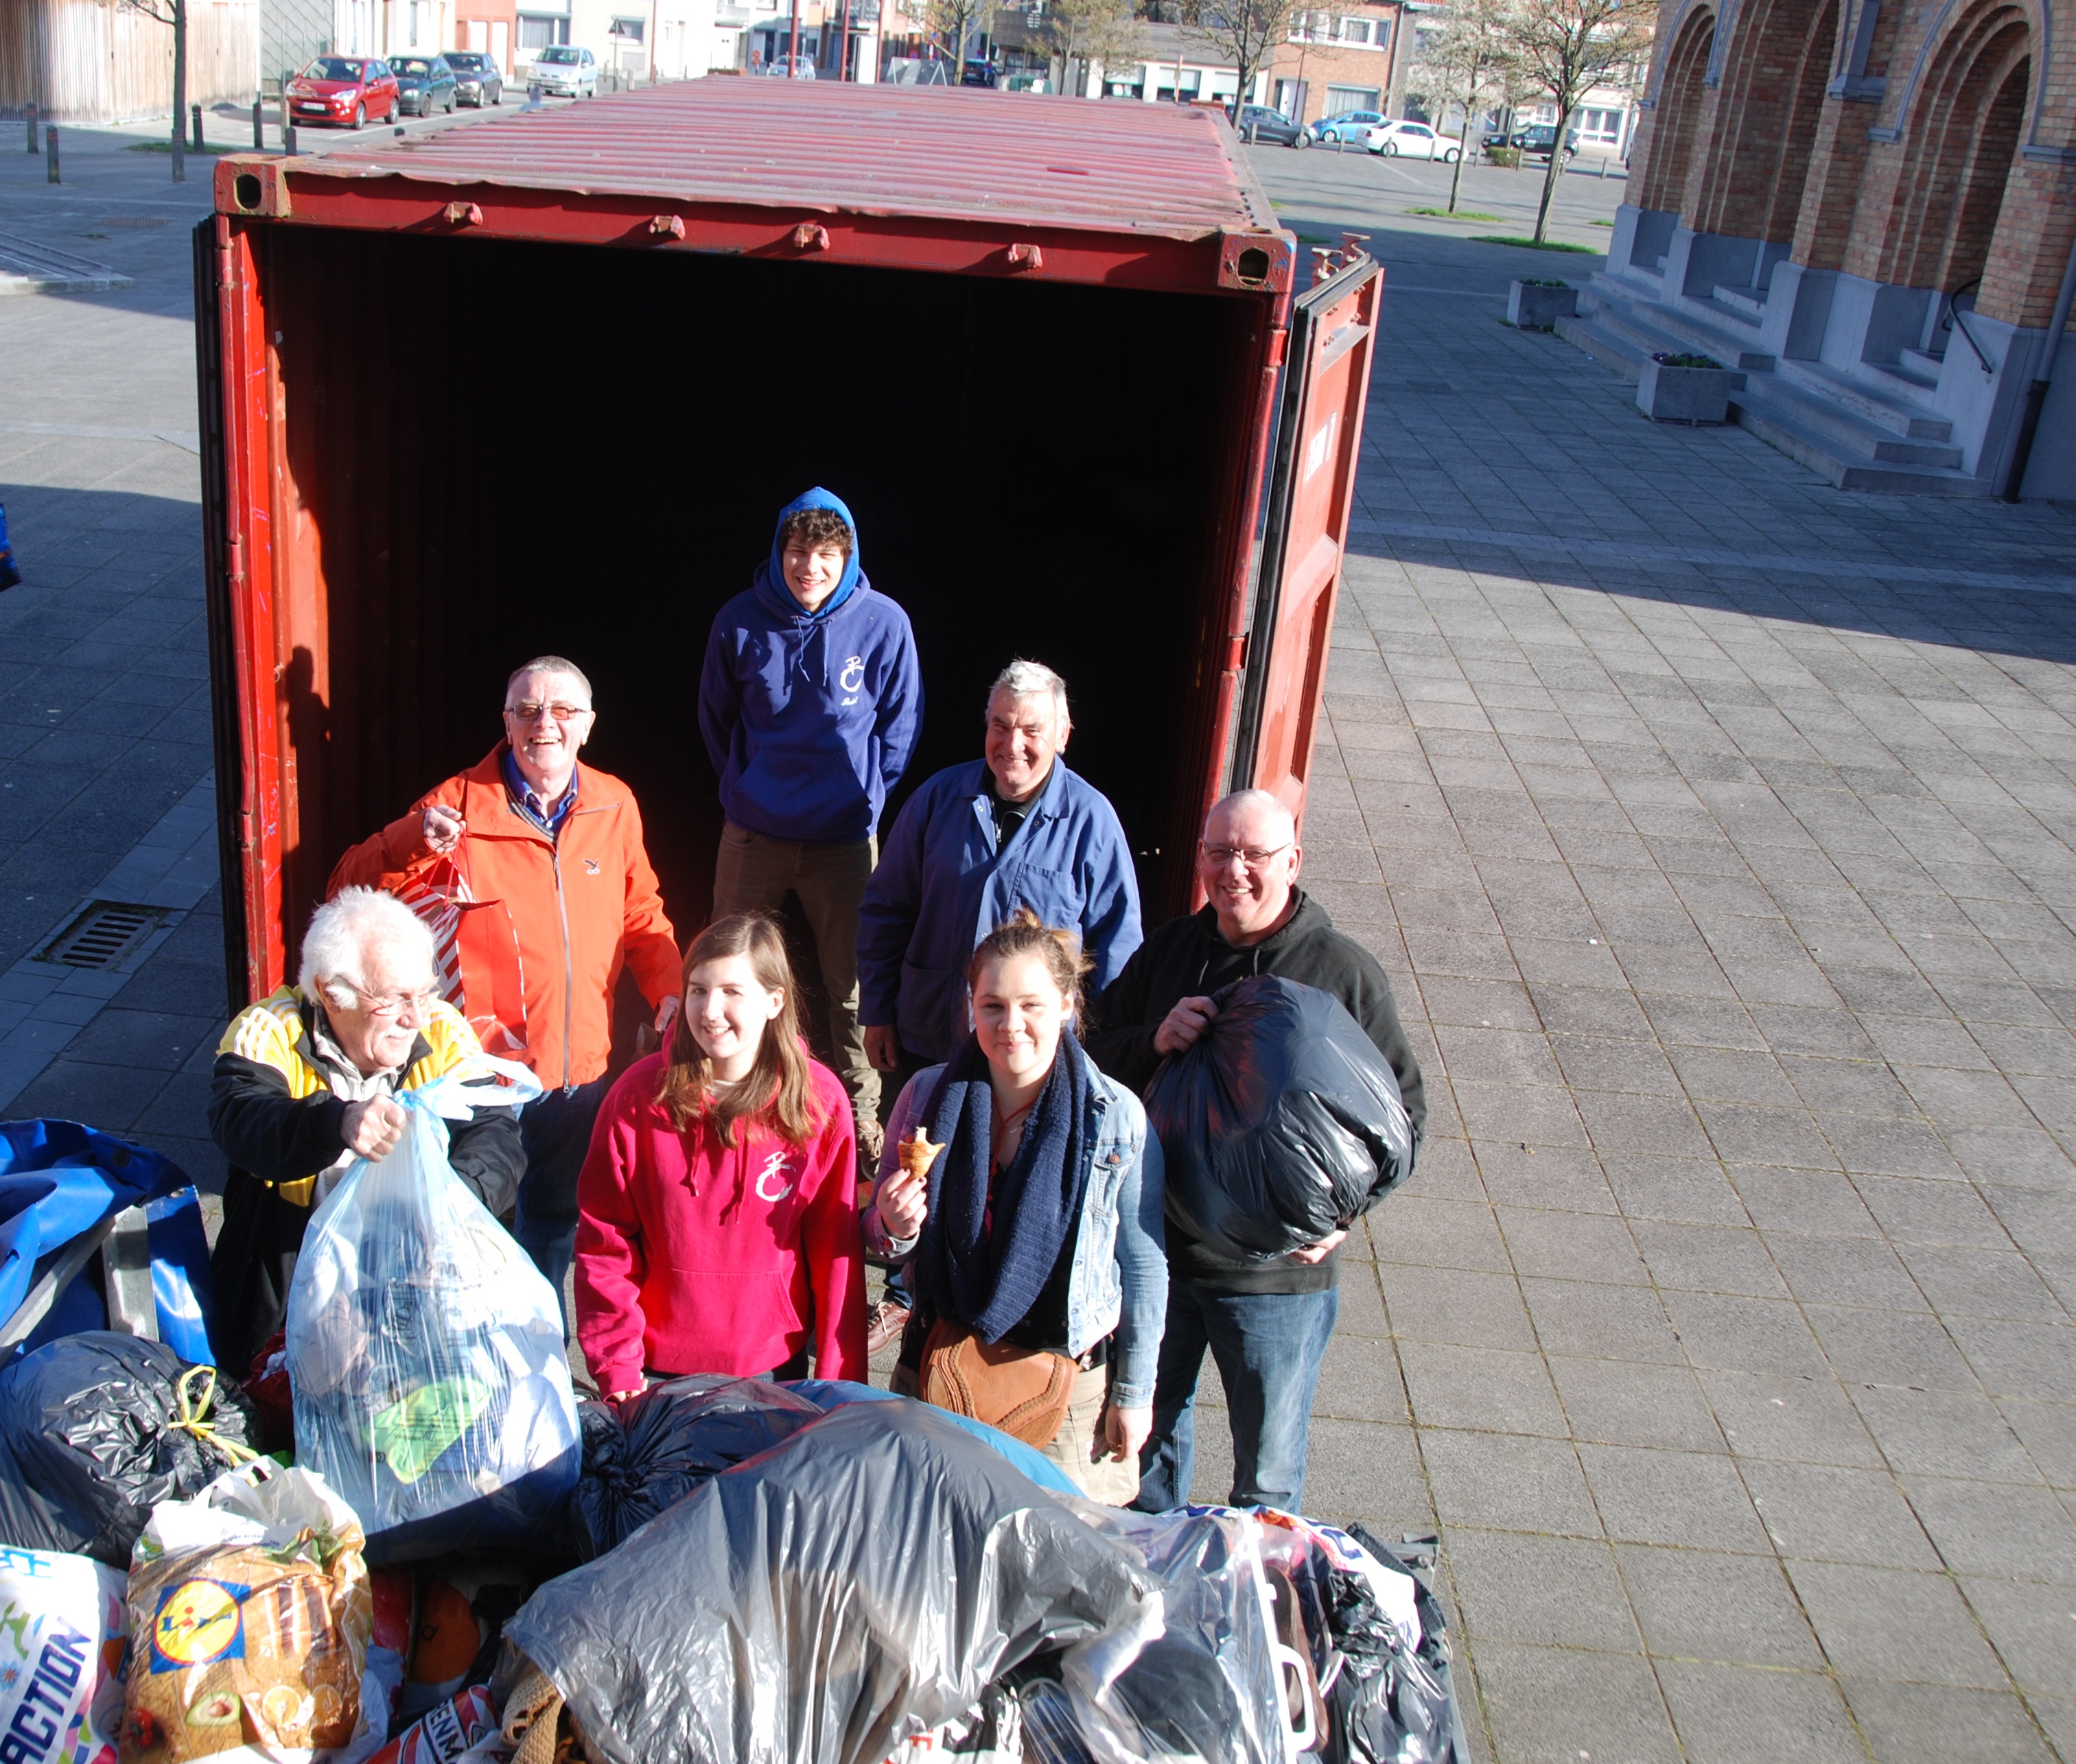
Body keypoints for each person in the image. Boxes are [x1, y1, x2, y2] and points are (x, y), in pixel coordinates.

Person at [1085, 788, 1427, 1516]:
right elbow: (1090, 1059)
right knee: (1137, 1452)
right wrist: (1152, 1039)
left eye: (1253, 854)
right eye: (1218, 852)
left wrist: (1346, 1218)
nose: (1232, 870)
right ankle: (1149, 1601)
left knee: (1266, 1480)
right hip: (1159, 1259)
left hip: (1276, 1283)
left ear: (1292, 861)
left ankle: (1256, 1611)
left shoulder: (1343, 973)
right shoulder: (1170, 952)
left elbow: (1406, 1116)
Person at [327, 655, 681, 1319]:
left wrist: (669, 985)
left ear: (587, 727)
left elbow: (641, 911)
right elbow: (347, 890)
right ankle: (458, 1341)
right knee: (467, 1217)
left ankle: (534, 1338)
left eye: (562, 711)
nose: (543, 724)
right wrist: (414, 841)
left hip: (580, 1071)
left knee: (554, 1217)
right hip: (484, 1074)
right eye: (527, 710)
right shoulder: (456, 805)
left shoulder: (614, 802)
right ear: (506, 722)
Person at [866, 910, 1166, 1504]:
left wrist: (1134, 1392)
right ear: (970, 1007)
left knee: (1054, 1563)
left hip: (1067, 1381)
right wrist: (893, 1226)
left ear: (1066, 1004)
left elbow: (1143, 1264)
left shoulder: (1115, 1116)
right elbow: (880, 1236)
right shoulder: (927, 1095)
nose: (1012, 1025)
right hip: (941, 1361)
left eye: (1031, 1004)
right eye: (993, 1006)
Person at [208, 888, 526, 1369]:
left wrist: (450, 1200)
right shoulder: (268, 1029)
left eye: (423, 993)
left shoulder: (440, 1028)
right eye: (395, 998)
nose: (415, 1017)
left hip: (415, 1300)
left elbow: (497, 1136)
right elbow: (242, 1121)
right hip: (285, 1302)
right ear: (332, 993)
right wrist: (337, 1120)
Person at [699, 489, 923, 1161]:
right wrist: (744, 788)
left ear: (847, 558)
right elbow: (715, 719)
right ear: (780, 551)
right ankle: (719, 1100)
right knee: (724, 969)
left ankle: (859, 1121)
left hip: (845, 839)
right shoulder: (740, 621)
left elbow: (901, 723)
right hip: (754, 831)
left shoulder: (883, 623)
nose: (810, 568)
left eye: (827, 554)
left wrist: (867, 800)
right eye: (799, 551)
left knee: (852, 986)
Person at [573, 913, 867, 1396]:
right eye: (697, 989)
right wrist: (617, 1366)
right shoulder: (636, 1096)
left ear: (774, 1001)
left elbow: (837, 1256)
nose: (710, 1009)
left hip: (773, 1368)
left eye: (732, 991)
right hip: (653, 1373)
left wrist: (844, 1388)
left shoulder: (819, 1100)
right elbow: (605, 1246)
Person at [858, 657, 1142, 1103]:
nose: (1013, 744)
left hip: (1034, 1051)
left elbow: (1117, 949)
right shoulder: (938, 798)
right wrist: (877, 1011)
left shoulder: (1090, 820)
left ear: (1062, 736)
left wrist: (1100, 1051)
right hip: (932, 1034)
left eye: (1032, 730)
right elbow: (885, 909)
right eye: (1000, 725)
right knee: (923, 1162)